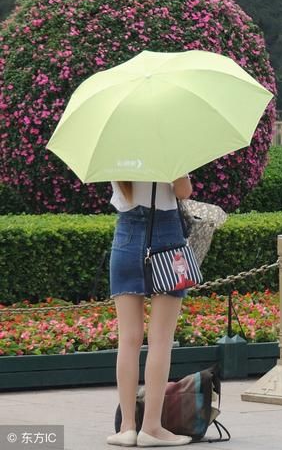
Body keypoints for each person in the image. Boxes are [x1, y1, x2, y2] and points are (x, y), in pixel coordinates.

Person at [107, 178, 193, 447]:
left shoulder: (114, 149)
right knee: (161, 340)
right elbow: (183, 192)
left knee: (128, 339)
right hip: (167, 235)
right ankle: (152, 427)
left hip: (126, 237)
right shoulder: (167, 146)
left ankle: (127, 427)